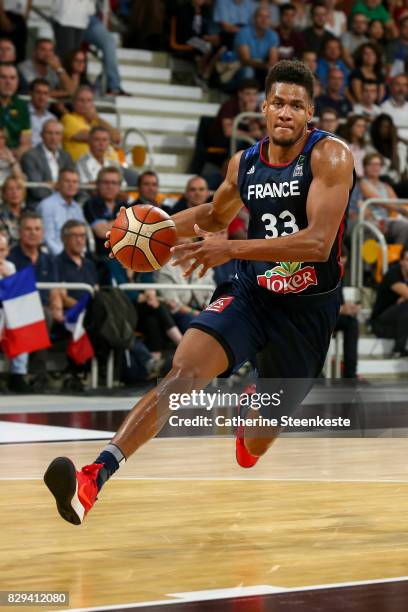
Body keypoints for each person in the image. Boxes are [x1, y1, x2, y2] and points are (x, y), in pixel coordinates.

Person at [43, 60, 355, 525]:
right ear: (264, 108)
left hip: (307, 313)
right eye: (278, 103)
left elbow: (317, 243)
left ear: (311, 113)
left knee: (256, 444)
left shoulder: (329, 156)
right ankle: (94, 478)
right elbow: (213, 215)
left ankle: (248, 415)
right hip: (252, 294)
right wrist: (148, 232)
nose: (286, 112)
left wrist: (230, 246)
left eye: (297, 105)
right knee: (182, 372)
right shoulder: (245, 163)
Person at [8, 211, 64, 392]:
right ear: (20, 232)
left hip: (44, 306)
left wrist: (57, 302)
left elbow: (55, 287)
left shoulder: (49, 259)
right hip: (16, 308)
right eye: (28, 229)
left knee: (49, 312)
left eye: (37, 229)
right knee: (43, 314)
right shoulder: (11, 257)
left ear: (43, 233)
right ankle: (37, 374)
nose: (33, 233)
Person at [21, 119, 75, 209]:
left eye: (57, 133)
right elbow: (37, 190)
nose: (53, 138)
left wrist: (55, 186)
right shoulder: (30, 156)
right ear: (41, 135)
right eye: (49, 133)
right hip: (39, 205)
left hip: (65, 204)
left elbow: (73, 183)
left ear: (61, 137)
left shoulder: (66, 156)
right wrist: (62, 188)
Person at [61, 85, 120, 162]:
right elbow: (93, 138)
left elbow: (116, 138)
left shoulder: (97, 121)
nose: (85, 104)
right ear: (74, 102)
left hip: (111, 164)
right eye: (81, 100)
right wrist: (110, 140)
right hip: (84, 165)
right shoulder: (68, 118)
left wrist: (97, 119)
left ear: (93, 104)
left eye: (89, 100)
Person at [371, 246, 408, 357]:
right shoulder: (393, 273)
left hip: (400, 323)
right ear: (401, 261)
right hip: (381, 324)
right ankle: (398, 349)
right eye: (407, 260)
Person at [38, 169, 85, 255]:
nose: (71, 185)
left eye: (74, 182)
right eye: (67, 181)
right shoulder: (47, 205)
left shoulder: (77, 208)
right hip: (54, 257)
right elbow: (48, 240)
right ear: (58, 184)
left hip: (75, 255)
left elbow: (82, 235)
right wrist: (66, 258)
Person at [234, 6, 278, 87]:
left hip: (261, 66)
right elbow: (245, 60)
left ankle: (268, 97)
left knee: (272, 70)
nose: (264, 20)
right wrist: (265, 65)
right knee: (248, 70)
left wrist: (268, 66)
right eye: (261, 16)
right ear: (254, 19)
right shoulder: (244, 32)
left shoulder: (272, 34)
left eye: (267, 17)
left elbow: (273, 60)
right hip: (240, 67)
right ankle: (248, 95)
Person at [0, 63, 31, 158]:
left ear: (17, 82)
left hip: (13, 158)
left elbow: (25, 144)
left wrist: (11, 158)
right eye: (3, 77)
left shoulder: (22, 105)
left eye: (12, 78)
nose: (8, 82)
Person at [369, 113, 407, 183]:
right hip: (383, 182)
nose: (385, 130)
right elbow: (394, 166)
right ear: (377, 127)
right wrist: (394, 140)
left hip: (399, 183)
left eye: (388, 127)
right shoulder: (371, 146)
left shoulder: (398, 145)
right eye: (382, 126)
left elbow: (402, 172)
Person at [27, 78, 56, 147]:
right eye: (38, 92)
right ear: (30, 93)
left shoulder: (52, 118)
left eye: (45, 93)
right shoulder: (22, 113)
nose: (42, 97)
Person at [380, 74, 408, 141]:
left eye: (405, 85)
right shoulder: (383, 109)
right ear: (391, 87)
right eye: (398, 85)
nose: (401, 89)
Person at [0, 176, 26, 246]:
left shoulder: (28, 213)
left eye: (18, 188)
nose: (14, 192)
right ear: (4, 193)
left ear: (23, 193)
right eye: (10, 189)